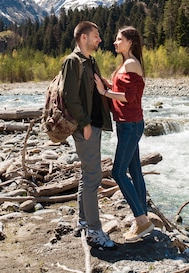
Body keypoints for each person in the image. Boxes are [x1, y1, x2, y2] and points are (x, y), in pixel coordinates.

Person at [94, 26, 154, 243]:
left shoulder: (131, 64)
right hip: (129, 123)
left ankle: (142, 222)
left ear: (131, 42)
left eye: (119, 39)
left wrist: (105, 92)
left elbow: (128, 97)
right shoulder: (128, 64)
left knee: (118, 173)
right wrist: (108, 85)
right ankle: (143, 217)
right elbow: (127, 93)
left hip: (130, 125)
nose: (115, 42)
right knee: (134, 170)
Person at [62, 21, 116, 250]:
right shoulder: (72, 62)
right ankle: (94, 230)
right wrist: (84, 124)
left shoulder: (90, 61)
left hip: (93, 125)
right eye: (96, 35)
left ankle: (84, 221)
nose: (100, 40)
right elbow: (69, 96)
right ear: (83, 38)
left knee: (88, 174)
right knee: (93, 176)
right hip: (85, 127)